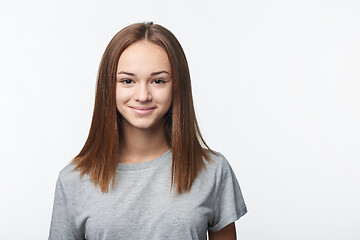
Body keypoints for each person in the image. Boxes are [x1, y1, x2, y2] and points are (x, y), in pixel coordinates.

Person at [48, 22, 247, 240]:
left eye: (158, 81)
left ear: (177, 86)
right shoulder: (73, 180)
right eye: (127, 81)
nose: (143, 95)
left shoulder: (213, 171)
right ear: (109, 86)